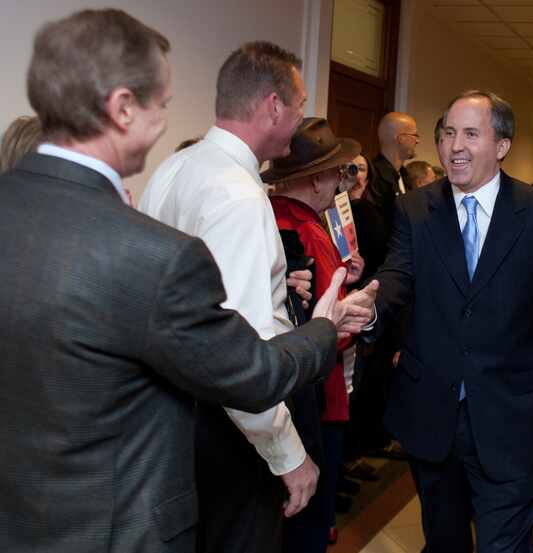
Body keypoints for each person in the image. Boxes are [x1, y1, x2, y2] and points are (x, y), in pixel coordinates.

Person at [0, 9, 371, 553]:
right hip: (116, 525)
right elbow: (249, 371)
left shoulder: (161, 181)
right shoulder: (151, 252)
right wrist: (324, 326)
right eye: (162, 104)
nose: (165, 121)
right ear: (123, 108)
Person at [139, 41, 376, 553]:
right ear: (273, 106)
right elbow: (241, 356)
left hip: (174, 424)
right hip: (228, 434)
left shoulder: (174, 170)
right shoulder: (240, 198)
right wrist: (289, 455)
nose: (299, 118)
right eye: (299, 103)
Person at [373, 90, 533, 553]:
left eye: (470, 134)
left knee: (504, 545)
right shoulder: (416, 209)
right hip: (433, 415)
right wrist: (367, 306)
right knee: (444, 541)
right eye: (447, 134)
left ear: (501, 146)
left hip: (515, 416)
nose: (455, 145)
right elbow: (396, 278)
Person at [262, 117, 368, 551]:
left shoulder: (268, 214)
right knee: (306, 526)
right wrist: (358, 312)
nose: (340, 183)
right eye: (338, 172)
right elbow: (332, 329)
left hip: (274, 396)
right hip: (313, 397)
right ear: (318, 176)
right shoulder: (306, 228)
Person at [364, 111, 419, 232]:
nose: (417, 141)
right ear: (401, 139)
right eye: (415, 135)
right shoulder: (372, 177)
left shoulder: (404, 175)